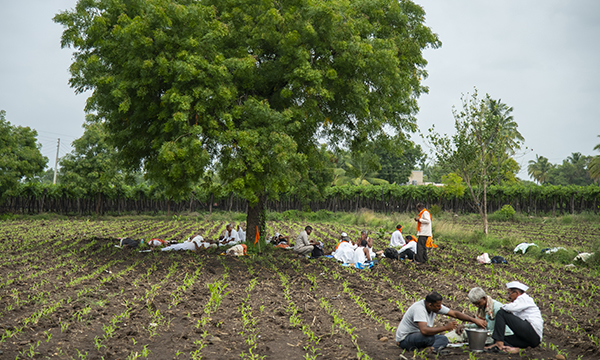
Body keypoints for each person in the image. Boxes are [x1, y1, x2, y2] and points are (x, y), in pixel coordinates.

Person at [396, 292, 486, 354]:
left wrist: (475, 320)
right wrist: (445, 328)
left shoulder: (433, 307)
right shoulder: (419, 309)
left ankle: (430, 349)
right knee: (430, 338)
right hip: (405, 339)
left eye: (440, 305)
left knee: (443, 339)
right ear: (430, 305)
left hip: (420, 337)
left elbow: (454, 313)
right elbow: (424, 331)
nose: (440, 308)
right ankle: (421, 348)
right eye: (437, 306)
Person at [486, 281, 543, 354]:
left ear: (516, 293)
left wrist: (502, 307)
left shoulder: (523, 298)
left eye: (509, 293)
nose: (509, 296)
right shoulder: (519, 302)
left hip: (532, 332)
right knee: (503, 339)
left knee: (501, 313)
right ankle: (513, 349)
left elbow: (510, 308)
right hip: (530, 340)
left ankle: (498, 344)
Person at [447, 287, 513, 344]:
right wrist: (464, 326)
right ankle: (443, 339)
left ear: (484, 298)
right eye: (474, 304)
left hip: (501, 337)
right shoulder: (482, 308)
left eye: (478, 303)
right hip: (487, 334)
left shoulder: (497, 308)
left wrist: (485, 333)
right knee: (462, 332)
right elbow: (481, 326)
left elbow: (506, 331)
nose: (477, 306)